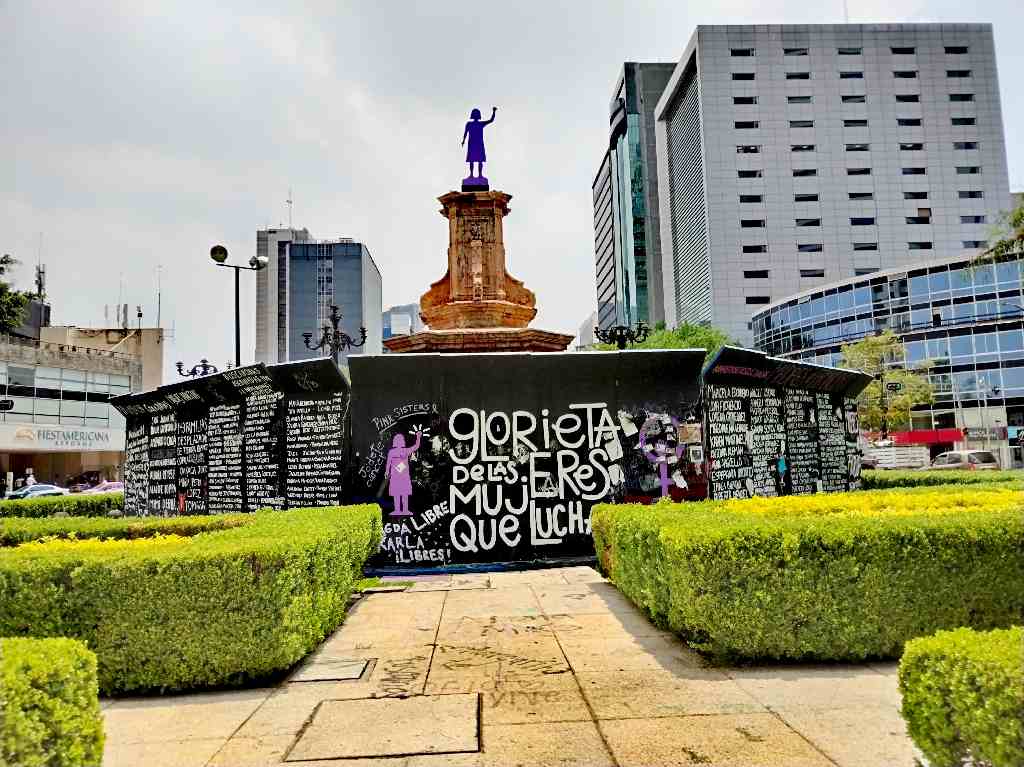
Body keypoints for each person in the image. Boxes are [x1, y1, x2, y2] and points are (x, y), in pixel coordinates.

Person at [385, 428, 423, 517]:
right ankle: (401, 510)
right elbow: (416, 446)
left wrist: (387, 472)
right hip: (401, 476)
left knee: (399, 493)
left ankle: (400, 510)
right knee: (402, 493)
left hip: (398, 476)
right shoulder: (404, 451)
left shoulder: (393, 451)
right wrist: (418, 437)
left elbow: (388, 463)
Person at [462, 107, 497, 179]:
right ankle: (471, 175)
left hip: (479, 143)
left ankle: (480, 175)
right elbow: (465, 133)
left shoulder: (481, 124)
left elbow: (491, 120)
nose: (476, 115)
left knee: (479, 160)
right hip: (472, 143)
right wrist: (463, 141)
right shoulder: (469, 124)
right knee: (472, 160)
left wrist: (494, 112)